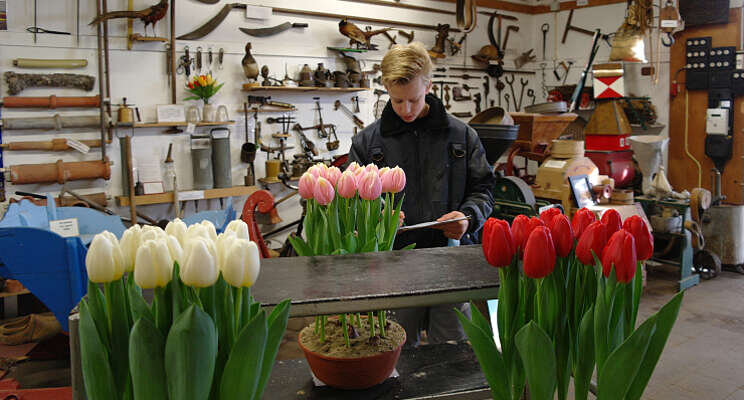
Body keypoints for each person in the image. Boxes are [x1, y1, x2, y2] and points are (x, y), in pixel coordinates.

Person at [348, 42, 496, 346]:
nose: (405, 110)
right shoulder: (367, 143)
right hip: (394, 265)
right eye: (397, 100)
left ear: (428, 85)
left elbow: (484, 189)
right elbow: (351, 203)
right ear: (386, 86)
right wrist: (377, 216)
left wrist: (468, 218)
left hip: (451, 259)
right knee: (396, 351)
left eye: (413, 100)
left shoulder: (462, 136)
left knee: (453, 353)